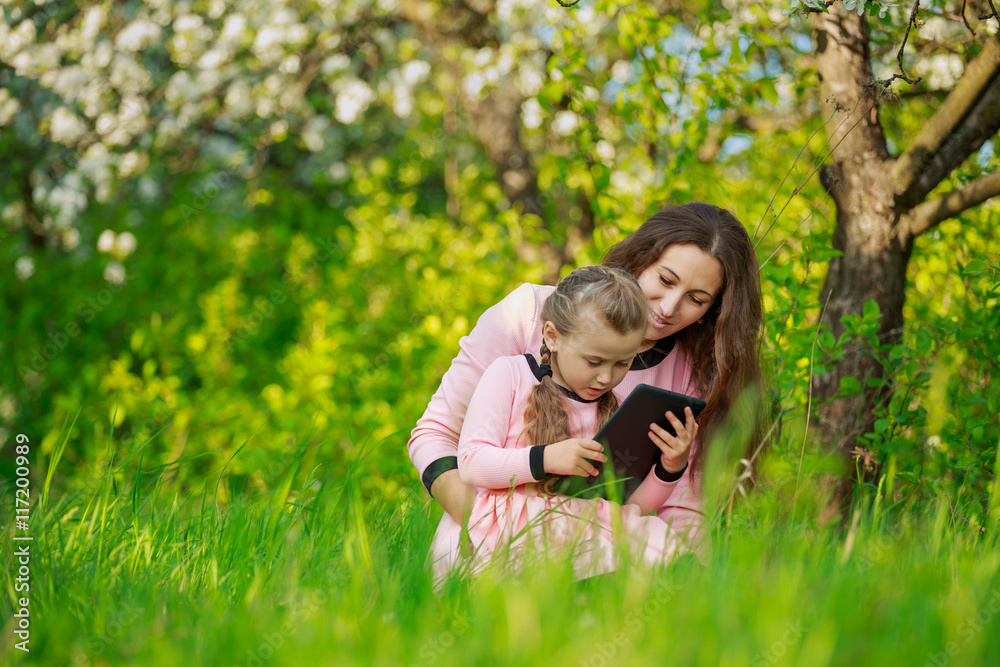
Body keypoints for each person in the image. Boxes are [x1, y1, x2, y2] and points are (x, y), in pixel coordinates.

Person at [409, 202, 764, 562]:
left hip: (594, 538)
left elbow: (682, 510)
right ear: (641, 259)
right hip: (492, 526)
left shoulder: (690, 374)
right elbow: (435, 435)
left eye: (696, 299)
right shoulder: (528, 315)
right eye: (666, 280)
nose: (670, 307)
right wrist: (487, 528)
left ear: (713, 310)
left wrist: (685, 580)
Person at [428, 266, 699, 584]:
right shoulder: (510, 375)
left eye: (622, 364)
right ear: (553, 337)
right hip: (509, 522)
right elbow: (472, 463)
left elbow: (627, 505)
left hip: (577, 524)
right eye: (594, 362)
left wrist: (669, 468)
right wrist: (545, 459)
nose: (606, 377)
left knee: (652, 540)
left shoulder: (611, 404)